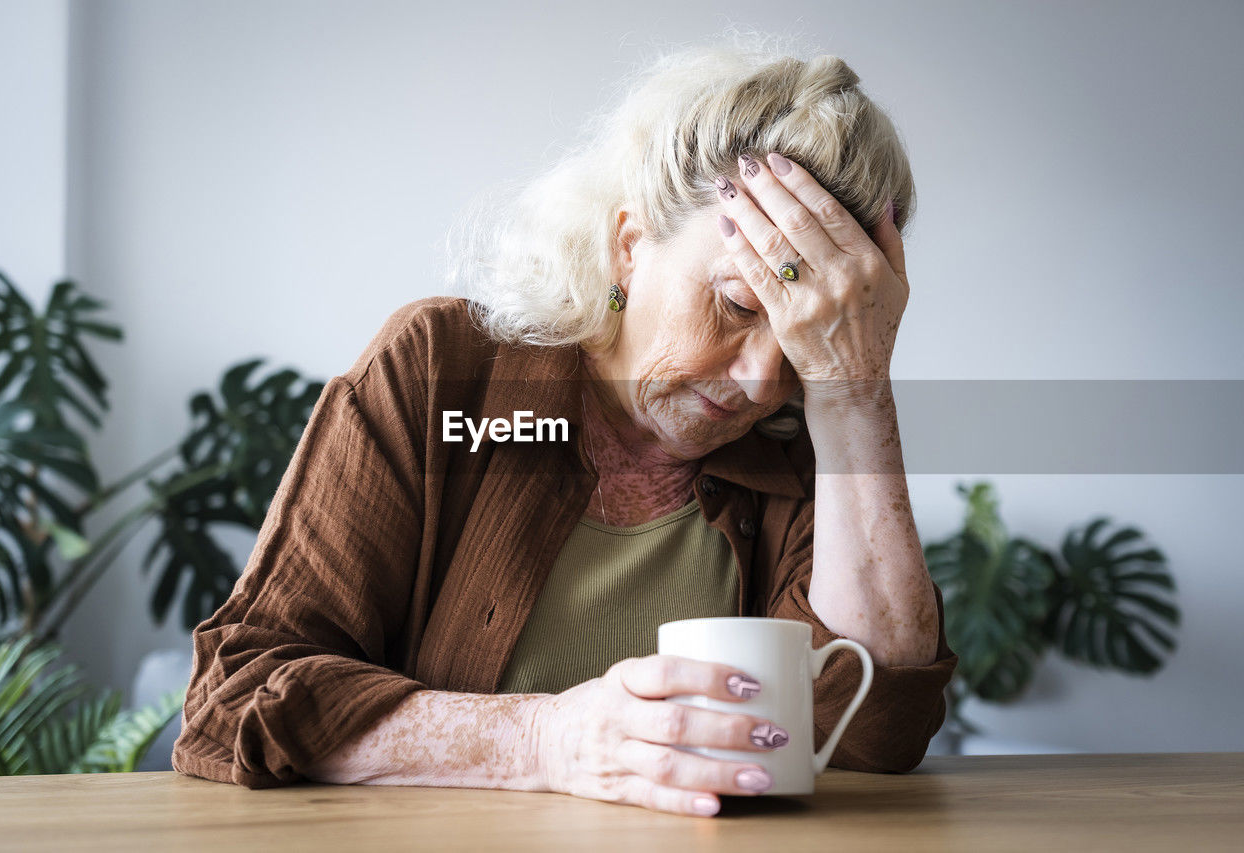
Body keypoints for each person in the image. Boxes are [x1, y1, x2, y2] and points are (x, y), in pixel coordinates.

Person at [172, 40, 958, 819]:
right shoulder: (444, 374)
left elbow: (873, 731)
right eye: (740, 306)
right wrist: (544, 740)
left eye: (801, 334)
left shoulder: (802, 435)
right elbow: (232, 697)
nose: (760, 378)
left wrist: (856, 398)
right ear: (629, 245)